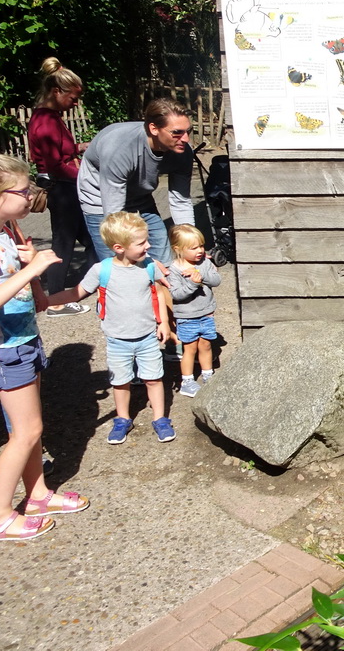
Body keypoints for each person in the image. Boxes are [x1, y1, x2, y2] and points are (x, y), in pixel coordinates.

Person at [0, 154, 89, 541]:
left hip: (24, 339)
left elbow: (35, 299)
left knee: (31, 428)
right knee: (26, 431)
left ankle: (37, 495)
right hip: (4, 348)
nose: (31, 197)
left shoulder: (9, 231)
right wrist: (31, 269)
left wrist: (38, 282)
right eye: (23, 191)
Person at [47, 211, 176, 444]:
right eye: (141, 243)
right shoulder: (102, 270)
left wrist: (165, 323)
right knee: (120, 381)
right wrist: (46, 301)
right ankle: (123, 418)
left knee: (154, 378)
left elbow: (159, 290)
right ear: (119, 247)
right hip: (117, 339)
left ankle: (160, 418)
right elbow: (76, 293)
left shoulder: (148, 266)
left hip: (147, 336)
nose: (148, 246)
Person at [77, 98, 195, 266]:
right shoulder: (120, 147)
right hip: (101, 198)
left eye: (188, 131)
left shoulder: (183, 152)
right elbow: (114, 216)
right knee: (118, 262)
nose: (186, 139)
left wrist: (190, 243)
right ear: (154, 128)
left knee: (162, 254)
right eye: (177, 132)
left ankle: (158, 290)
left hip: (140, 195)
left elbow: (181, 200)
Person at [27, 57, 93, 317]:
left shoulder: (50, 117)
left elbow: (59, 153)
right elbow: (55, 165)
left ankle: (89, 286)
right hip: (64, 189)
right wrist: (86, 179)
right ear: (57, 91)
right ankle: (55, 300)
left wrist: (79, 148)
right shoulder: (46, 122)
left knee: (91, 239)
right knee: (64, 244)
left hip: (66, 187)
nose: (75, 104)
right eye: (73, 98)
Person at [167, 224, 220, 397]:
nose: (200, 250)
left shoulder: (204, 262)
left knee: (205, 344)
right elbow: (176, 294)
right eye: (194, 248)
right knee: (189, 348)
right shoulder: (173, 270)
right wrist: (192, 283)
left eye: (201, 246)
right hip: (187, 316)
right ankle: (187, 381)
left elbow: (216, 280)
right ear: (178, 249)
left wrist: (201, 274)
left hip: (206, 313)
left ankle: (208, 375)